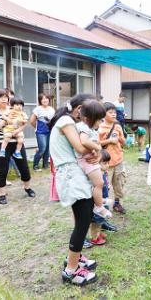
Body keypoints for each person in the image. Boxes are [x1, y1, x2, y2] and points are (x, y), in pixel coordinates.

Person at [48, 93, 99, 287]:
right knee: (83, 220)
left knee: (83, 218)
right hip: (70, 175)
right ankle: (71, 270)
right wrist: (99, 150)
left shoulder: (71, 122)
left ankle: (75, 258)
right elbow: (80, 147)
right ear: (80, 110)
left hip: (73, 174)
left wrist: (95, 153)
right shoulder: (65, 121)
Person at [0, 89, 36, 205]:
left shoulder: (13, 109)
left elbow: (23, 123)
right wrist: (5, 120)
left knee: (24, 167)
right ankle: (1, 194)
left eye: (5, 97)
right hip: (1, 144)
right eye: (1, 97)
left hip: (17, 142)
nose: (4, 99)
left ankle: (27, 188)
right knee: (2, 170)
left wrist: (17, 129)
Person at [75, 100, 113, 219]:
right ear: (87, 119)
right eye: (98, 120)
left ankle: (99, 201)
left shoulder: (89, 127)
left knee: (98, 183)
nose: (100, 123)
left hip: (90, 159)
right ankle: (99, 206)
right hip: (86, 160)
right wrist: (98, 148)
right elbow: (84, 141)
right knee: (99, 183)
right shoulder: (83, 127)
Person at [98, 102, 127, 214]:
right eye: (110, 112)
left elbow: (123, 142)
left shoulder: (118, 126)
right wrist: (109, 140)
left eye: (114, 112)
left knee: (119, 183)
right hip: (106, 163)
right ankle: (104, 205)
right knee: (105, 185)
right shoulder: (100, 127)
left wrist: (119, 138)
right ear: (103, 114)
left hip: (118, 159)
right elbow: (96, 143)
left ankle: (116, 203)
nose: (114, 114)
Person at [87, 149, 115, 246]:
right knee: (96, 221)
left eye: (108, 163)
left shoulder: (103, 173)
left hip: (103, 201)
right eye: (104, 163)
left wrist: (108, 185)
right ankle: (94, 237)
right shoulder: (96, 175)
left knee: (100, 220)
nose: (107, 165)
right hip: (97, 203)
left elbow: (104, 184)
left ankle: (98, 234)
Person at [30, 93, 55, 171]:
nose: (45, 100)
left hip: (50, 131)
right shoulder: (37, 109)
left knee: (47, 149)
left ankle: (45, 165)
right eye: (43, 98)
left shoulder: (51, 109)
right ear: (40, 100)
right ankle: (35, 166)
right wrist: (37, 127)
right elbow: (32, 121)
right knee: (42, 149)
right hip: (40, 132)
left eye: (46, 98)